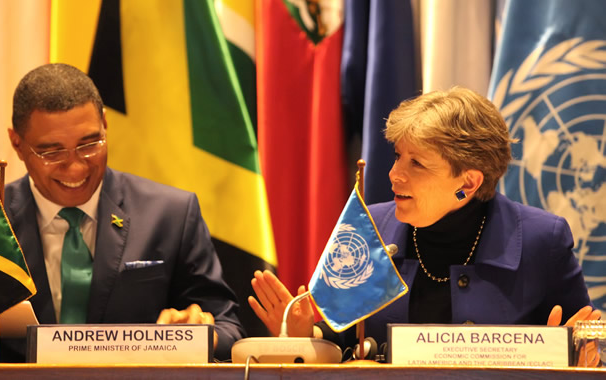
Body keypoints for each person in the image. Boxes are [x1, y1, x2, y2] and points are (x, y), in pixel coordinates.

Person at [248, 87, 600, 358]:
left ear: (468, 183)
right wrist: (307, 336)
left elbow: (585, 341)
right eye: (398, 156)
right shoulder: (371, 227)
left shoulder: (543, 240)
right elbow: (346, 345)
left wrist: (573, 353)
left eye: (417, 164)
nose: (394, 174)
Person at [0, 63, 244, 362]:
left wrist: (201, 334)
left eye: (90, 143)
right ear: (17, 144)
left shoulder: (171, 215)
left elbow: (229, 329)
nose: (76, 165)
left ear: (105, 125)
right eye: (52, 152)